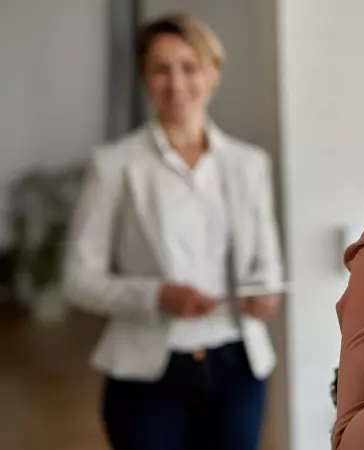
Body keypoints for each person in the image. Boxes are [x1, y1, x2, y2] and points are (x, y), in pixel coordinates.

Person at [62, 15, 283, 450]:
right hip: (147, 373)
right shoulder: (114, 166)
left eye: (189, 66)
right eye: (160, 69)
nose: (176, 83)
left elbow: (267, 262)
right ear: (145, 78)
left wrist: (266, 292)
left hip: (237, 364)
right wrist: (157, 295)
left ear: (213, 73)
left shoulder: (249, 165)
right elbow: (78, 280)